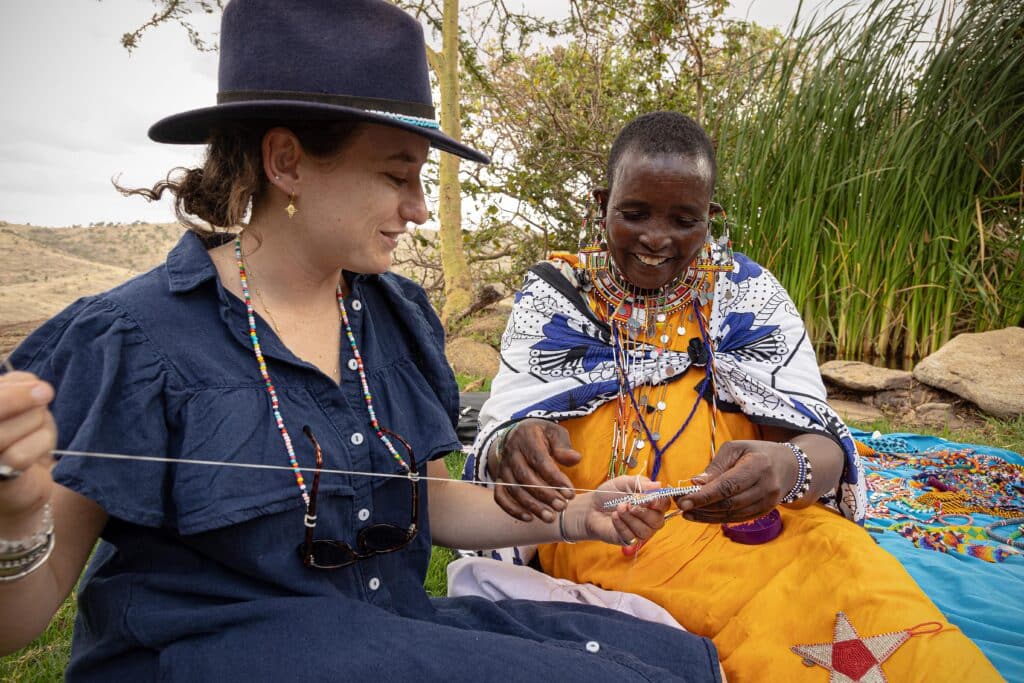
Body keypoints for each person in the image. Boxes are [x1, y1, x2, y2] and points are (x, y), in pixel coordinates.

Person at [0, 4, 728, 680]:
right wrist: (12, 513)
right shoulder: (131, 340)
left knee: (672, 659)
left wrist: (579, 510)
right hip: (218, 659)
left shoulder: (391, 315)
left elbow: (427, 499)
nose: (417, 207)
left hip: (382, 630)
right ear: (286, 162)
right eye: (394, 175)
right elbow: (19, 621)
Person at [463, 111, 1003, 681]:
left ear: (711, 218)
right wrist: (516, 444)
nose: (655, 238)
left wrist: (788, 466)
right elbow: (504, 430)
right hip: (608, 534)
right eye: (634, 213)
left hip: (762, 531)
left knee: (879, 607)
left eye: (684, 219)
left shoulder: (748, 292)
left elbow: (824, 447)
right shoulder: (555, 293)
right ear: (602, 204)